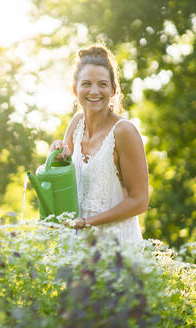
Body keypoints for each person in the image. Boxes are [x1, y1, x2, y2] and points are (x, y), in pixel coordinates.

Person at [51, 44, 148, 243]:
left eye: (102, 84)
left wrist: (87, 222)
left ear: (113, 90)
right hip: (77, 247)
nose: (94, 91)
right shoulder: (76, 124)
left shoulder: (124, 132)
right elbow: (62, 179)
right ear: (74, 88)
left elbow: (139, 201)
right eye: (86, 83)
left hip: (117, 248)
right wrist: (58, 155)